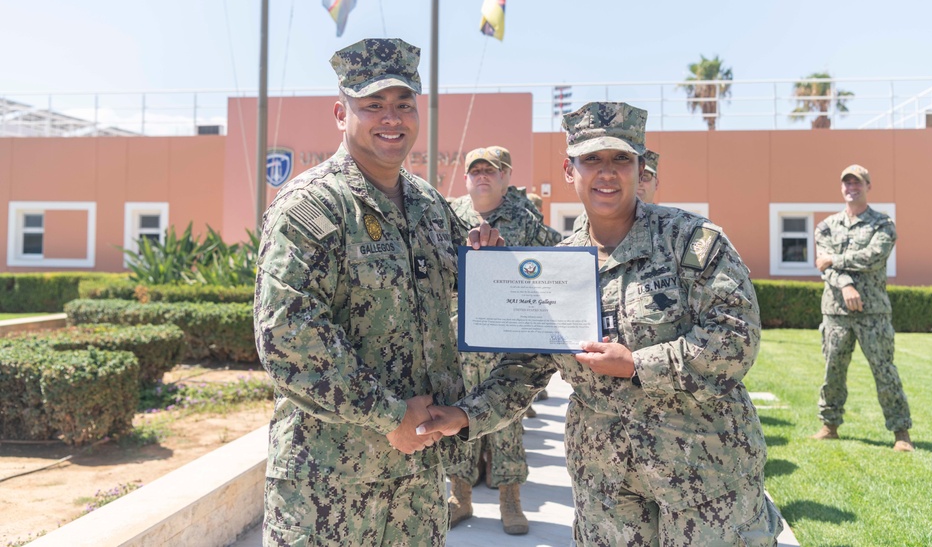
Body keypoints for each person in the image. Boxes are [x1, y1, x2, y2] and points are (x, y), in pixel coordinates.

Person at [420, 102, 782, 546]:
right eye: (591, 159)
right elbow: (524, 368)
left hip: (704, 479)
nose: (606, 173)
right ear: (570, 171)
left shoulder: (692, 241)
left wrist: (637, 365)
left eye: (621, 159)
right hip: (607, 487)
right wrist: (463, 415)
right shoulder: (559, 267)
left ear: (640, 166)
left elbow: (735, 340)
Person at [253, 38, 469, 546]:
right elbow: (286, 335)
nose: (390, 118)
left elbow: (468, 296)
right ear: (340, 112)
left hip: (414, 487)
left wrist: (491, 259)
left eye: (403, 104)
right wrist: (390, 415)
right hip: (327, 489)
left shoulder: (429, 207)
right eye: (372, 105)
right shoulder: (312, 206)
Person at [446, 145, 561, 534]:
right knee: (458, 416)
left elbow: (556, 257)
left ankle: (510, 501)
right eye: (475, 170)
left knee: (506, 419)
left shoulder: (523, 219)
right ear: (466, 178)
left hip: (506, 336)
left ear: (506, 176)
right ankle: (459, 496)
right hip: (459, 335)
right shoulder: (450, 215)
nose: (482, 176)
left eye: (490, 170)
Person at [812, 164, 914, 452]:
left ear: (868, 186)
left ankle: (901, 432)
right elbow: (823, 267)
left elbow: (873, 257)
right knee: (833, 371)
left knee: (884, 371)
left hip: (873, 313)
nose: (851, 188)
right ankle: (829, 426)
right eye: (847, 183)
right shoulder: (826, 226)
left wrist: (834, 259)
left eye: (857, 183)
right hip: (836, 312)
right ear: (841, 187)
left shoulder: (883, 224)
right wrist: (845, 284)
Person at [572, 148, 659, 232]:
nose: (639, 183)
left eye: (645, 177)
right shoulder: (582, 223)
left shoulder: (668, 226)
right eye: (592, 159)